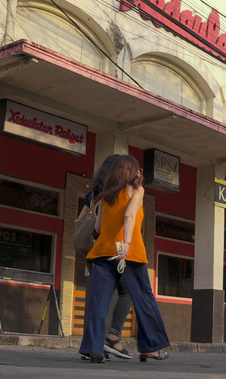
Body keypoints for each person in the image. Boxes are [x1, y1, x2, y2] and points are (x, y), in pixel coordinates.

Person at [79, 155, 170, 363]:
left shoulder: (105, 195)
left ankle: (94, 349)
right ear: (130, 172)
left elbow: (98, 228)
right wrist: (127, 243)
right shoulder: (137, 190)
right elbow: (129, 215)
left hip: (103, 252)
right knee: (143, 298)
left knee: (98, 303)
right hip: (129, 252)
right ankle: (151, 347)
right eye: (137, 169)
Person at [79, 154, 134, 360]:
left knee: (98, 301)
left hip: (95, 251)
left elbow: (84, 221)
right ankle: (112, 337)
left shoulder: (96, 193)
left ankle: (94, 347)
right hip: (119, 250)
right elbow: (126, 220)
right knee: (128, 292)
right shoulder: (126, 191)